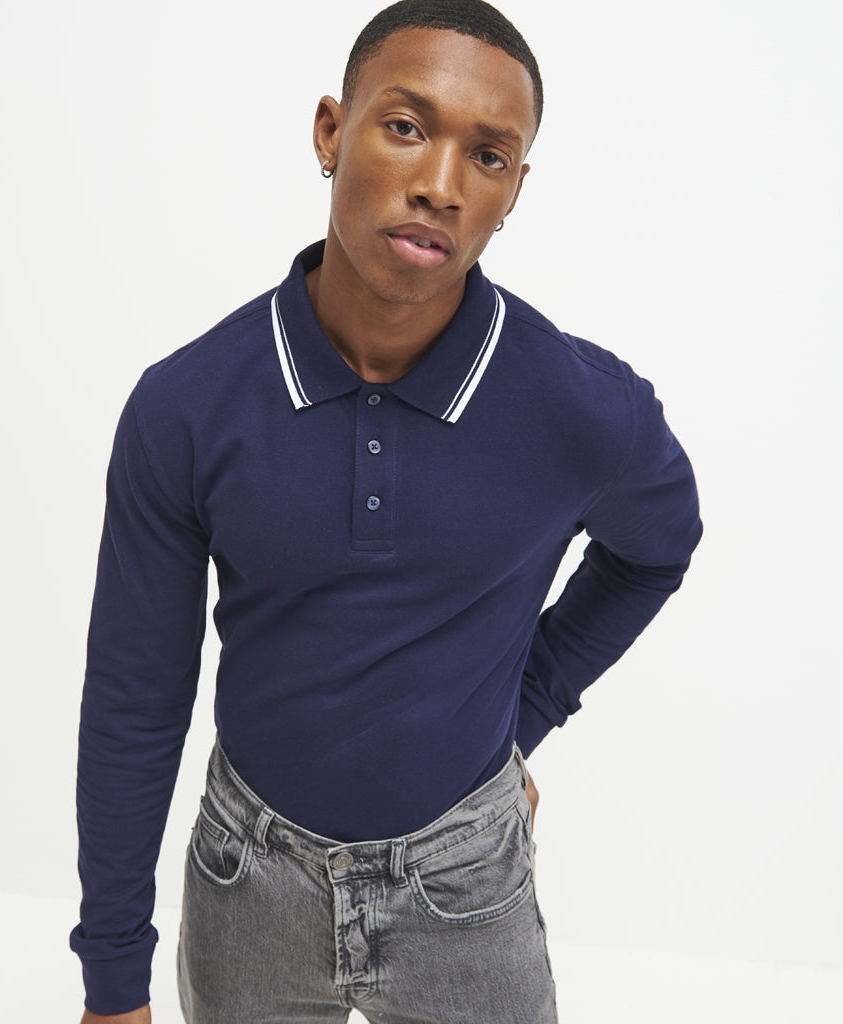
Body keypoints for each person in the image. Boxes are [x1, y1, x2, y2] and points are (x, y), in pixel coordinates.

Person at [70, 1, 702, 1021]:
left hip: (467, 888)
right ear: (331, 131)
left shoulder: (582, 409)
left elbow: (656, 550)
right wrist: (111, 979)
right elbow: (135, 698)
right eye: (405, 126)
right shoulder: (186, 406)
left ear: (514, 190)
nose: (440, 184)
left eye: (487, 156)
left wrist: (525, 711)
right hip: (247, 884)